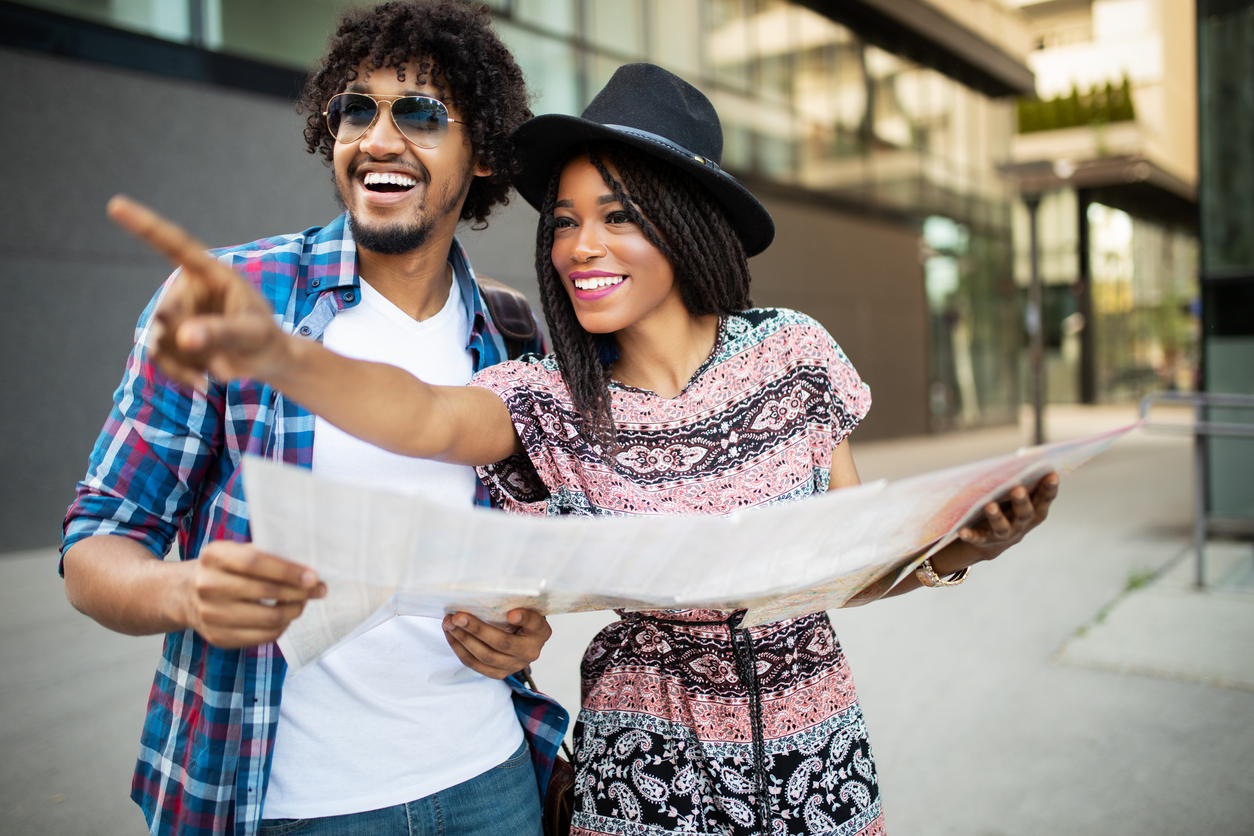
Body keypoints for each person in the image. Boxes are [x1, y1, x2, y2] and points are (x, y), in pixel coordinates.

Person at [111, 64, 1060, 836]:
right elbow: (419, 415)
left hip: (820, 768)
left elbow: (842, 570)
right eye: (564, 221)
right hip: (642, 781)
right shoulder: (550, 396)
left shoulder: (794, 352)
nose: (579, 247)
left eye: (617, 215)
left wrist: (956, 551)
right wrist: (279, 353)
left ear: (686, 224)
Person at [60, 3, 568, 836]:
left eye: (421, 112)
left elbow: (524, 554)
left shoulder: (509, 332)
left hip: (491, 779)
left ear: (481, 155)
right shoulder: (232, 299)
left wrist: (522, 631)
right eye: (356, 108)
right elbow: (94, 548)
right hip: (289, 803)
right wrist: (184, 591)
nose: (377, 137)